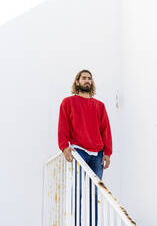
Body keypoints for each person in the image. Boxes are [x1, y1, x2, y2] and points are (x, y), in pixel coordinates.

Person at [58, 69, 113, 226]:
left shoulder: (99, 106)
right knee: (77, 191)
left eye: (89, 78)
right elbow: (63, 126)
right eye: (83, 78)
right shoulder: (68, 102)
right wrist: (64, 147)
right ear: (77, 82)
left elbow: (106, 130)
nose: (87, 80)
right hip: (79, 151)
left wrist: (107, 153)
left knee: (94, 193)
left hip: (98, 154)